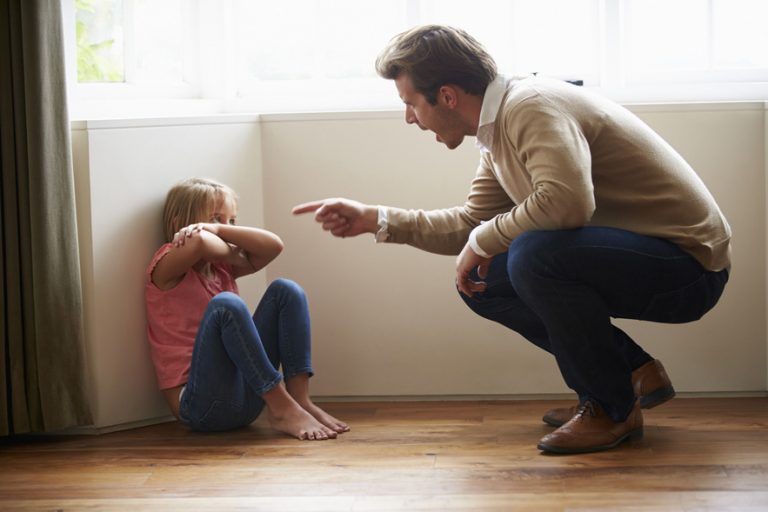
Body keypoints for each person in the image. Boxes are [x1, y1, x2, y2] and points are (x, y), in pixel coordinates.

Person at [292, 25, 731, 453]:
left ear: (447, 95)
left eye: (410, 104)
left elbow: (566, 204)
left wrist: (485, 238)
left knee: (532, 254)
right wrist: (377, 219)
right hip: (644, 258)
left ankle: (611, 409)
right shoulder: (496, 128)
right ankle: (626, 377)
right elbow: (472, 223)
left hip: (689, 267)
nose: (409, 117)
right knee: (484, 282)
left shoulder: (530, 106)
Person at [145, 177, 349, 440]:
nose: (225, 228)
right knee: (226, 305)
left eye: (231, 221)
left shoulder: (221, 269)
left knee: (287, 291)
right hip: (200, 406)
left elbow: (274, 245)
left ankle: (298, 402)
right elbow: (199, 244)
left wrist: (216, 230)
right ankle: (283, 407)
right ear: (178, 224)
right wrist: (229, 249)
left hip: (248, 400)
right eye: (215, 219)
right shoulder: (166, 266)